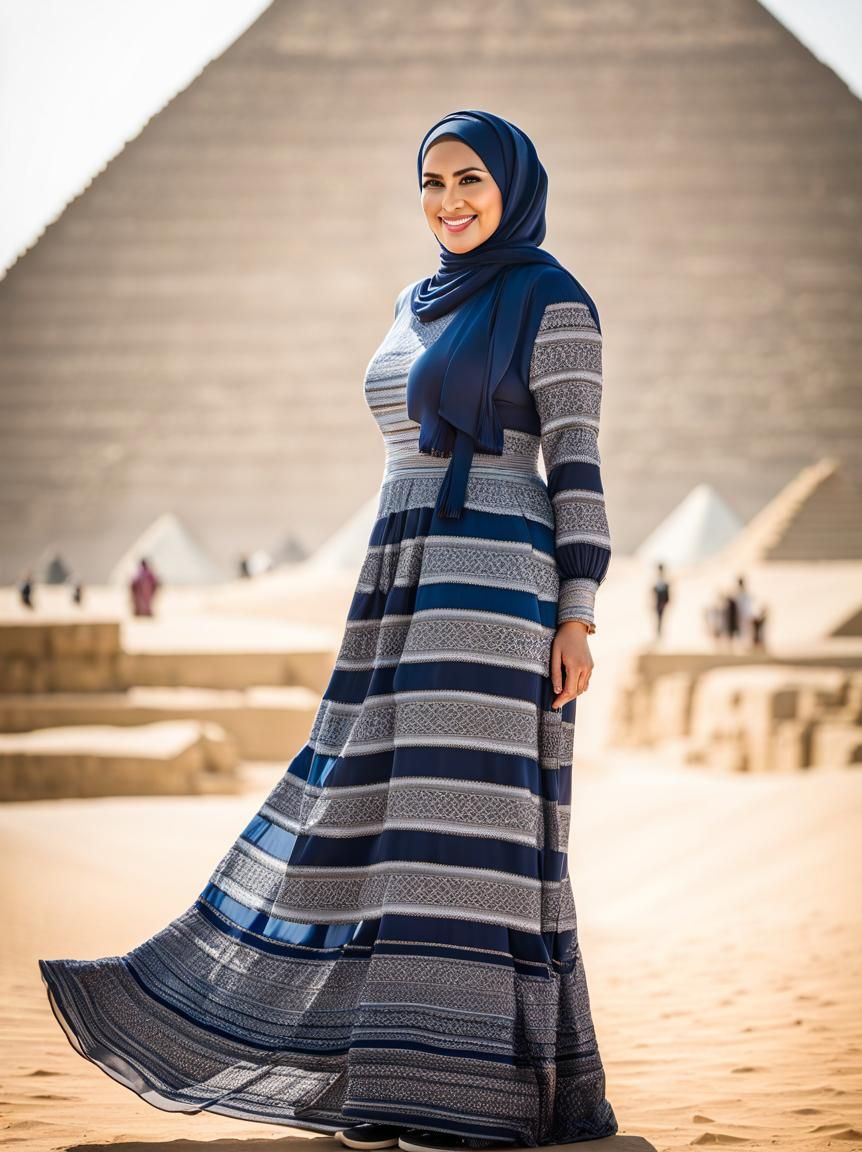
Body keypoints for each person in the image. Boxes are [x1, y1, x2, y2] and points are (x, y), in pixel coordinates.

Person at [38, 110, 618, 1150]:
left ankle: (461, 1094)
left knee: (460, 832)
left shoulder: (552, 301)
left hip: (492, 592)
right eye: (431, 181)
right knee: (358, 810)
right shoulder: (414, 302)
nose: (449, 201)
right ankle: (375, 1074)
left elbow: (574, 469)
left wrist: (576, 614)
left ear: (515, 187)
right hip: (398, 579)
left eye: (471, 180)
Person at [652, 561, 671, 640]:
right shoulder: (659, 578)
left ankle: (659, 634)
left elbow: (665, 591)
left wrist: (666, 601)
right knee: (659, 618)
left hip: (661, 601)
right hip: (659, 601)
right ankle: (658, 634)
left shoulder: (663, 578)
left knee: (660, 618)